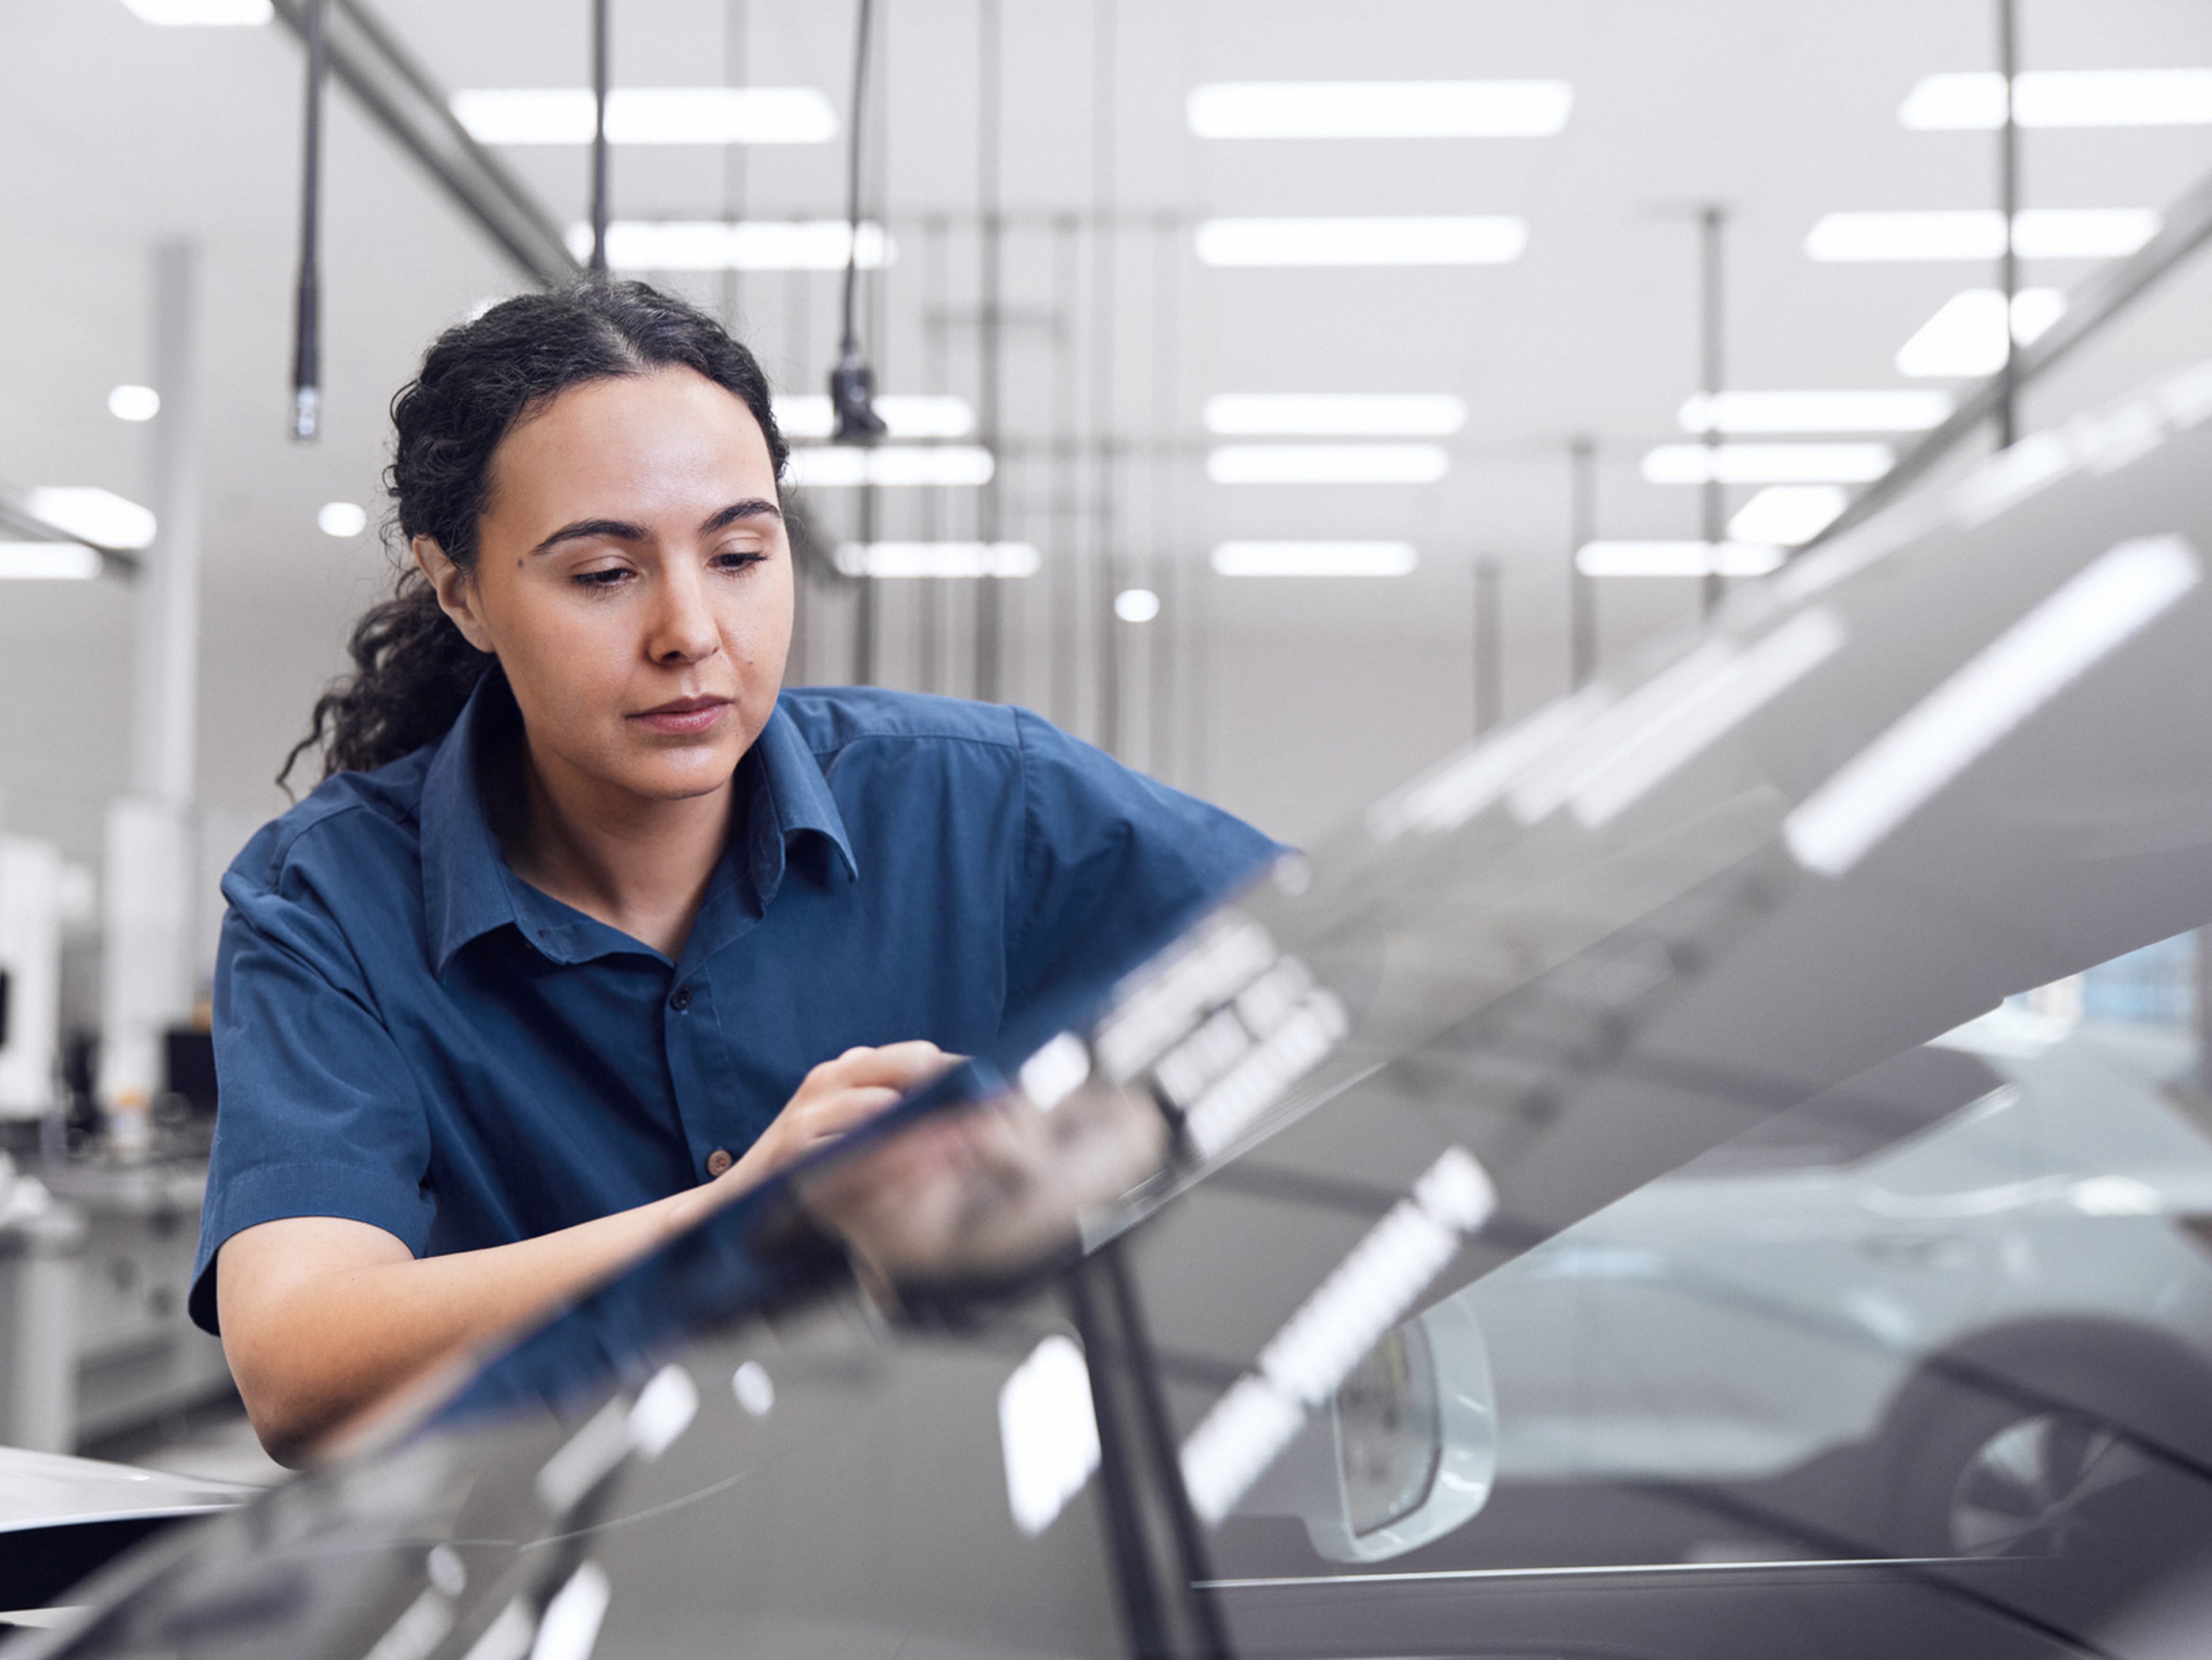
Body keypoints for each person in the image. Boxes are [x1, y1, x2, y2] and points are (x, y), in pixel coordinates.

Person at [195, 281, 1277, 1464]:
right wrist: (750, 1215)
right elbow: (298, 1367)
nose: (692, 631)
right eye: (606, 573)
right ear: (462, 591)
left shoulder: (989, 801)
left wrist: (1098, 1137)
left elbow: (1367, 988)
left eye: (742, 553)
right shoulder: (330, 900)